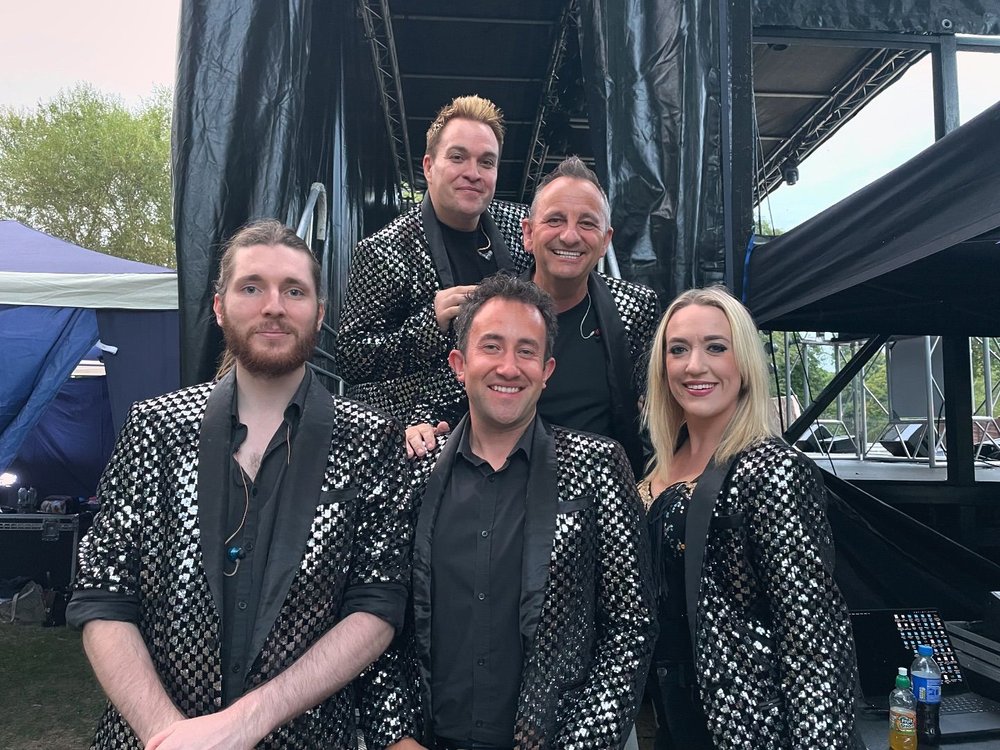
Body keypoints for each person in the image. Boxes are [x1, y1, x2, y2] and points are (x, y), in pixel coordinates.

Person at [66, 220, 414, 749]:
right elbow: (102, 597)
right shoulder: (155, 427)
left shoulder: (373, 440)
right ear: (219, 307)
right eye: (252, 287)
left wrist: (248, 721)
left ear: (319, 313)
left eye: (293, 290)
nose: (273, 306)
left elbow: (377, 606)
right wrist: (165, 735)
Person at [359, 274, 656, 750]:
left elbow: (631, 625)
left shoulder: (599, 466)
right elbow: (376, 610)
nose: (509, 367)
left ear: (547, 369)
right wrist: (397, 737)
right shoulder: (410, 474)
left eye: (526, 351)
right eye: (492, 347)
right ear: (459, 364)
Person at [638, 285, 859, 749]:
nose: (694, 365)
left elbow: (812, 639)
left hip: (746, 730)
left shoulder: (773, 470)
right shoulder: (657, 467)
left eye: (716, 347)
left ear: (745, 364)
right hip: (665, 722)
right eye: (678, 350)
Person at [406, 156, 659, 478]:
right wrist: (421, 428)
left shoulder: (635, 308)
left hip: (598, 490)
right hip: (499, 485)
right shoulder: (488, 309)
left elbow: (658, 406)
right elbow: (437, 400)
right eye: (555, 220)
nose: (570, 236)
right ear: (528, 233)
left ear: (605, 240)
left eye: (587, 223)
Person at [336, 94, 531, 425]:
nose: (473, 173)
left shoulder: (521, 228)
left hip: (509, 420)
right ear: (429, 167)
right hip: (417, 433)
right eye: (458, 157)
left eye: (486, 162)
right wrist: (430, 324)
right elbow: (350, 358)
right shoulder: (384, 249)